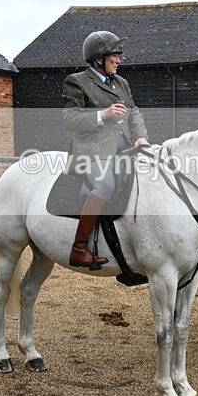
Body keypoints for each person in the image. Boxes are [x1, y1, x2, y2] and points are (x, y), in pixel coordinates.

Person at [62, 30, 149, 268]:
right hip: (92, 151)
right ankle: (79, 247)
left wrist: (141, 138)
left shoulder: (121, 83)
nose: (119, 60)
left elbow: (135, 113)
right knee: (106, 184)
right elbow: (70, 120)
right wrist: (103, 114)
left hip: (126, 149)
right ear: (99, 59)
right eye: (114, 56)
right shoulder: (76, 81)